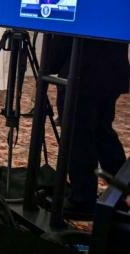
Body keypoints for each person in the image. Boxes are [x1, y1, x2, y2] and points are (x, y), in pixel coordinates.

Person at [48, 36, 129, 219]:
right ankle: (122, 193)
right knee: (103, 133)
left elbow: (66, 33)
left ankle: (82, 199)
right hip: (111, 69)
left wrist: (50, 62)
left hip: (82, 70)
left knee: (78, 135)